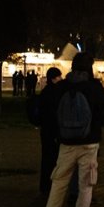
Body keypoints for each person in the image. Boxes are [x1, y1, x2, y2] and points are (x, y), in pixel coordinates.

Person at [35, 52, 104, 207]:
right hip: (89, 142)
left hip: (66, 142)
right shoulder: (94, 87)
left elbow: (47, 105)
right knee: (86, 185)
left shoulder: (61, 87)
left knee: (59, 183)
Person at [35, 66, 63, 194]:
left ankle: (45, 186)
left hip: (45, 130)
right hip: (52, 130)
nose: (61, 79)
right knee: (52, 158)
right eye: (59, 77)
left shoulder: (45, 92)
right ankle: (50, 186)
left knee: (46, 158)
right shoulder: (54, 93)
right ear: (53, 78)